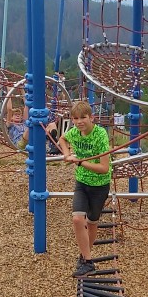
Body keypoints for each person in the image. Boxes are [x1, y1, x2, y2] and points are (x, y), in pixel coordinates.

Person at [58, 100, 112, 278]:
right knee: (77, 219)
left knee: (92, 221)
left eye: (83, 118)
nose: (79, 121)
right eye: (75, 118)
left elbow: (104, 168)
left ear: (91, 118)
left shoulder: (100, 134)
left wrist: (80, 161)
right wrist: (66, 154)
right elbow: (62, 139)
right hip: (81, 183)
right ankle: (88, 262)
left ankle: (84, 257)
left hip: (100, 185)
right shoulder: (74, 132)